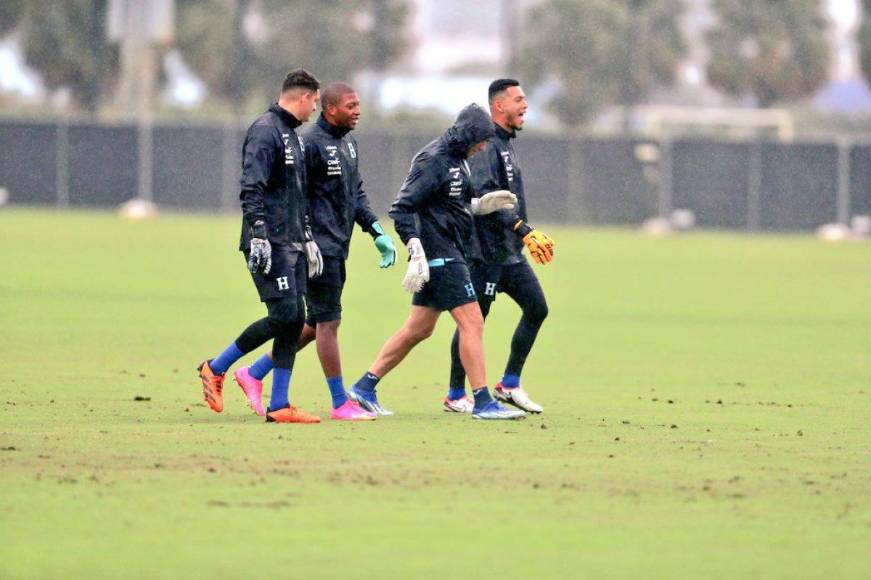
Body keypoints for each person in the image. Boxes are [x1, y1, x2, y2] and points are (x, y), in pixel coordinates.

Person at [346, 103, 526, 420]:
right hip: (440, 255)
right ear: (468, 135)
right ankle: (483, 401)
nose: (484, 146)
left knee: (418, 329)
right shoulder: (433, 161)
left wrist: (480, 205)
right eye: (481, 140)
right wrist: (415, 249)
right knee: (473, 322)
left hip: (450, 251)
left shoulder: (460, 160)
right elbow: (402, 207)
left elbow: (452, 203)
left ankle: (363, 387)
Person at [234, 82, 397, 421]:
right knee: (328, 323)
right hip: (315, 249)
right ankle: (340, 402)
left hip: (338, 245)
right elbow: (295, 194)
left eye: (358, 104)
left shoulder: (349, 144)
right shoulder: (309, 144)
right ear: (330, 108)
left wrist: (375, 229)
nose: (358, 111)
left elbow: (357, 194)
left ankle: (254, 372)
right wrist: (303, 237)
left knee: (310, 322)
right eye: (351, 105)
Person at [197, 69, 325, 424]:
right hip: (269, 241)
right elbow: (251, 186)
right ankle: (215, 367)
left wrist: (308, 236)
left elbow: (298, 195)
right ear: (302, 97)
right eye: (314, 101)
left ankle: (280, 405)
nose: (314, 109)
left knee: (295, 320)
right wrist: (257, 232)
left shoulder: (295, 137)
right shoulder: (265, 131)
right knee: (285, 316)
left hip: (294, 241)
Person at [443, 79, 554, 415]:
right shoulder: (487, 146)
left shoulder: (506, 143)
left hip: (509, 252)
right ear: (498, 106)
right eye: (519, 99)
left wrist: (520, 236)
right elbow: (486, 198)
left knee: (537, 308)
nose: (525, 106)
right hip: (484, 252)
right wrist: (523, 229)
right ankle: (454, 394)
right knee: (473, 322)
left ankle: (509, 383)